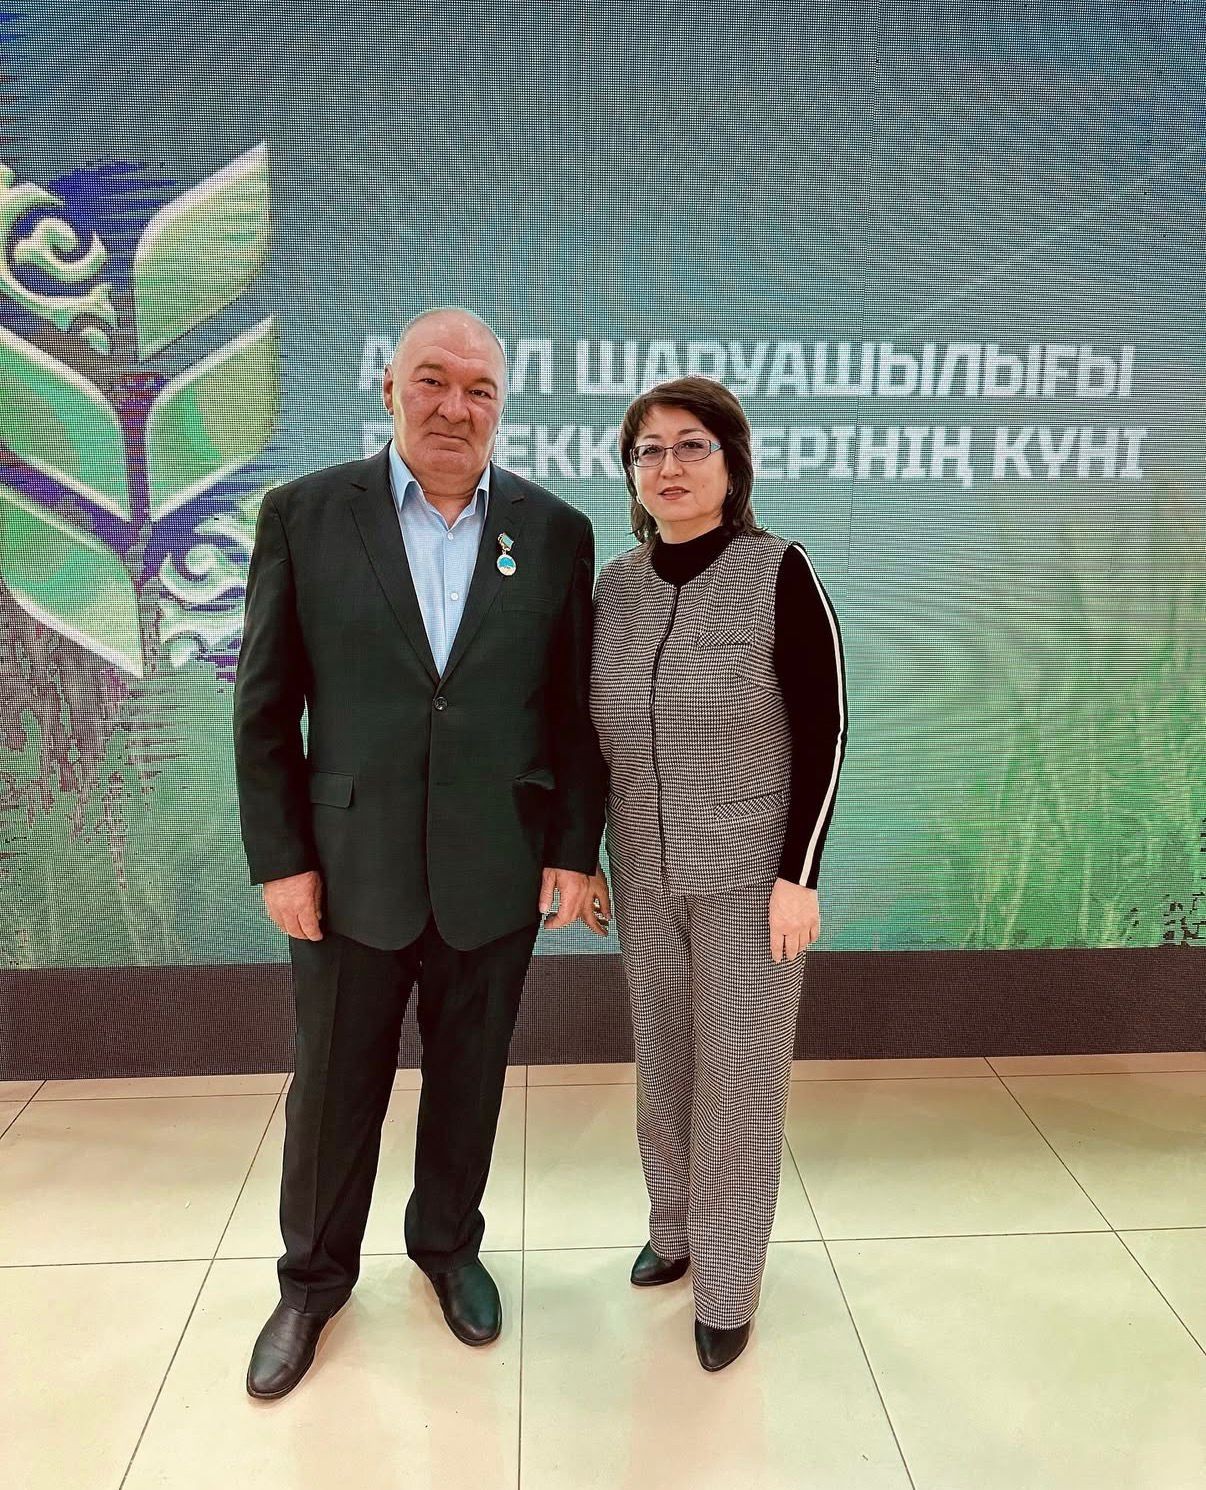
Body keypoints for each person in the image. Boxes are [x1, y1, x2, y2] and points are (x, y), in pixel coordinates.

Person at [233, 307, 603, 1399]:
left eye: (479, 389)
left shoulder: (554, 531)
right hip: (346, 871)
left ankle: (447, 1244)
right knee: (332, 1088)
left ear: (502, 406)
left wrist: (572, 850)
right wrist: (281, 858)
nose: (455, 406)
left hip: (497, 864)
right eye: (432, 380)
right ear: (389, 387)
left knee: (471, 1077)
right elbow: (265, 707)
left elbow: (572, 713)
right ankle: (311, 1282)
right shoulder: (305, 514)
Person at [584, 376, 848, 1371]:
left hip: (748, 878)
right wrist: (587, 856)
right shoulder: (615, 588)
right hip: (643, 872)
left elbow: (825, 727)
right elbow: (586, 737)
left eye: (691, 445)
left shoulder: (779, 570)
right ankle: (676, 1227)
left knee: (736, 1081)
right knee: (663, 1063)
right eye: (648, 450)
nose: (669, 467)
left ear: (732, 464)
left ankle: (729, 1283)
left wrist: (799, 874)